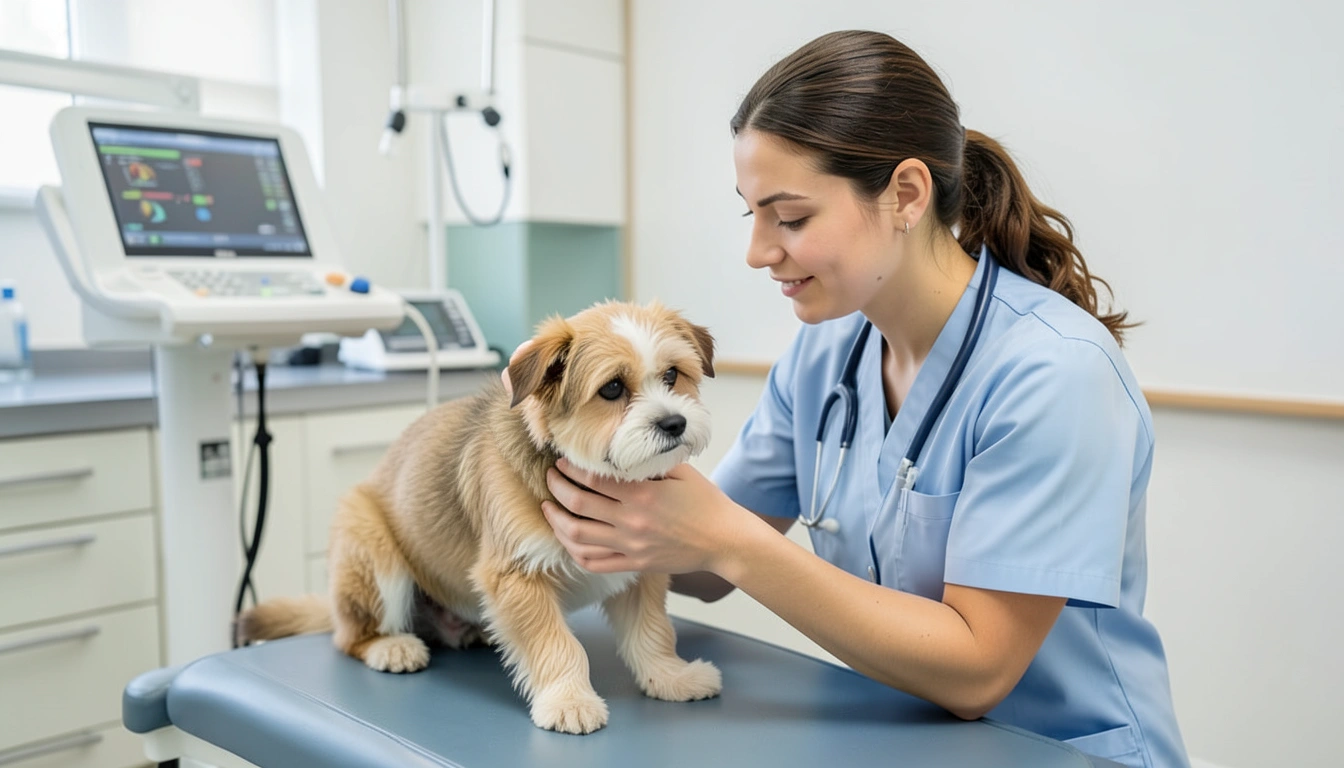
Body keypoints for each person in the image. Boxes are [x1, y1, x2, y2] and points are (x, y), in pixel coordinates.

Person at [510, 30, 1188, 768]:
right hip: (899, 735)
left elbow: (978, 671)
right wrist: (563, 459)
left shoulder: (1055, 373)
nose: (759, 251)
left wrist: (722, 539)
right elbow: (697, 568)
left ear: (905, 194)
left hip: (1062, 748)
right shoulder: (826, 353)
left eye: (791, 217)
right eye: (753, 215)